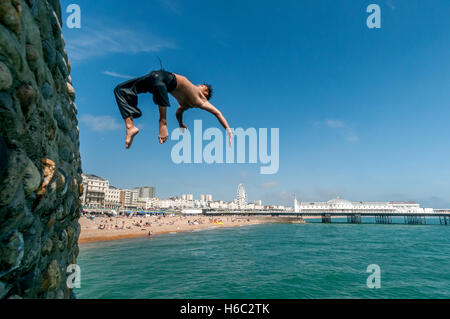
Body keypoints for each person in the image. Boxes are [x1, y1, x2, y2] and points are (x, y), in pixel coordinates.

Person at [114, 69, 233, 148]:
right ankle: (130, 127)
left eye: (203, 86)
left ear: (206, 93)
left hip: (159, 82)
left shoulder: (202, 100)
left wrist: (228, 130)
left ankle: (163, 123)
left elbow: (218, 113)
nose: (199, 85)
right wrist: (180, 123)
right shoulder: (188, 102)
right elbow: (178, 114)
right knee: (120, 90)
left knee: (159, 85)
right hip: (161, 78)